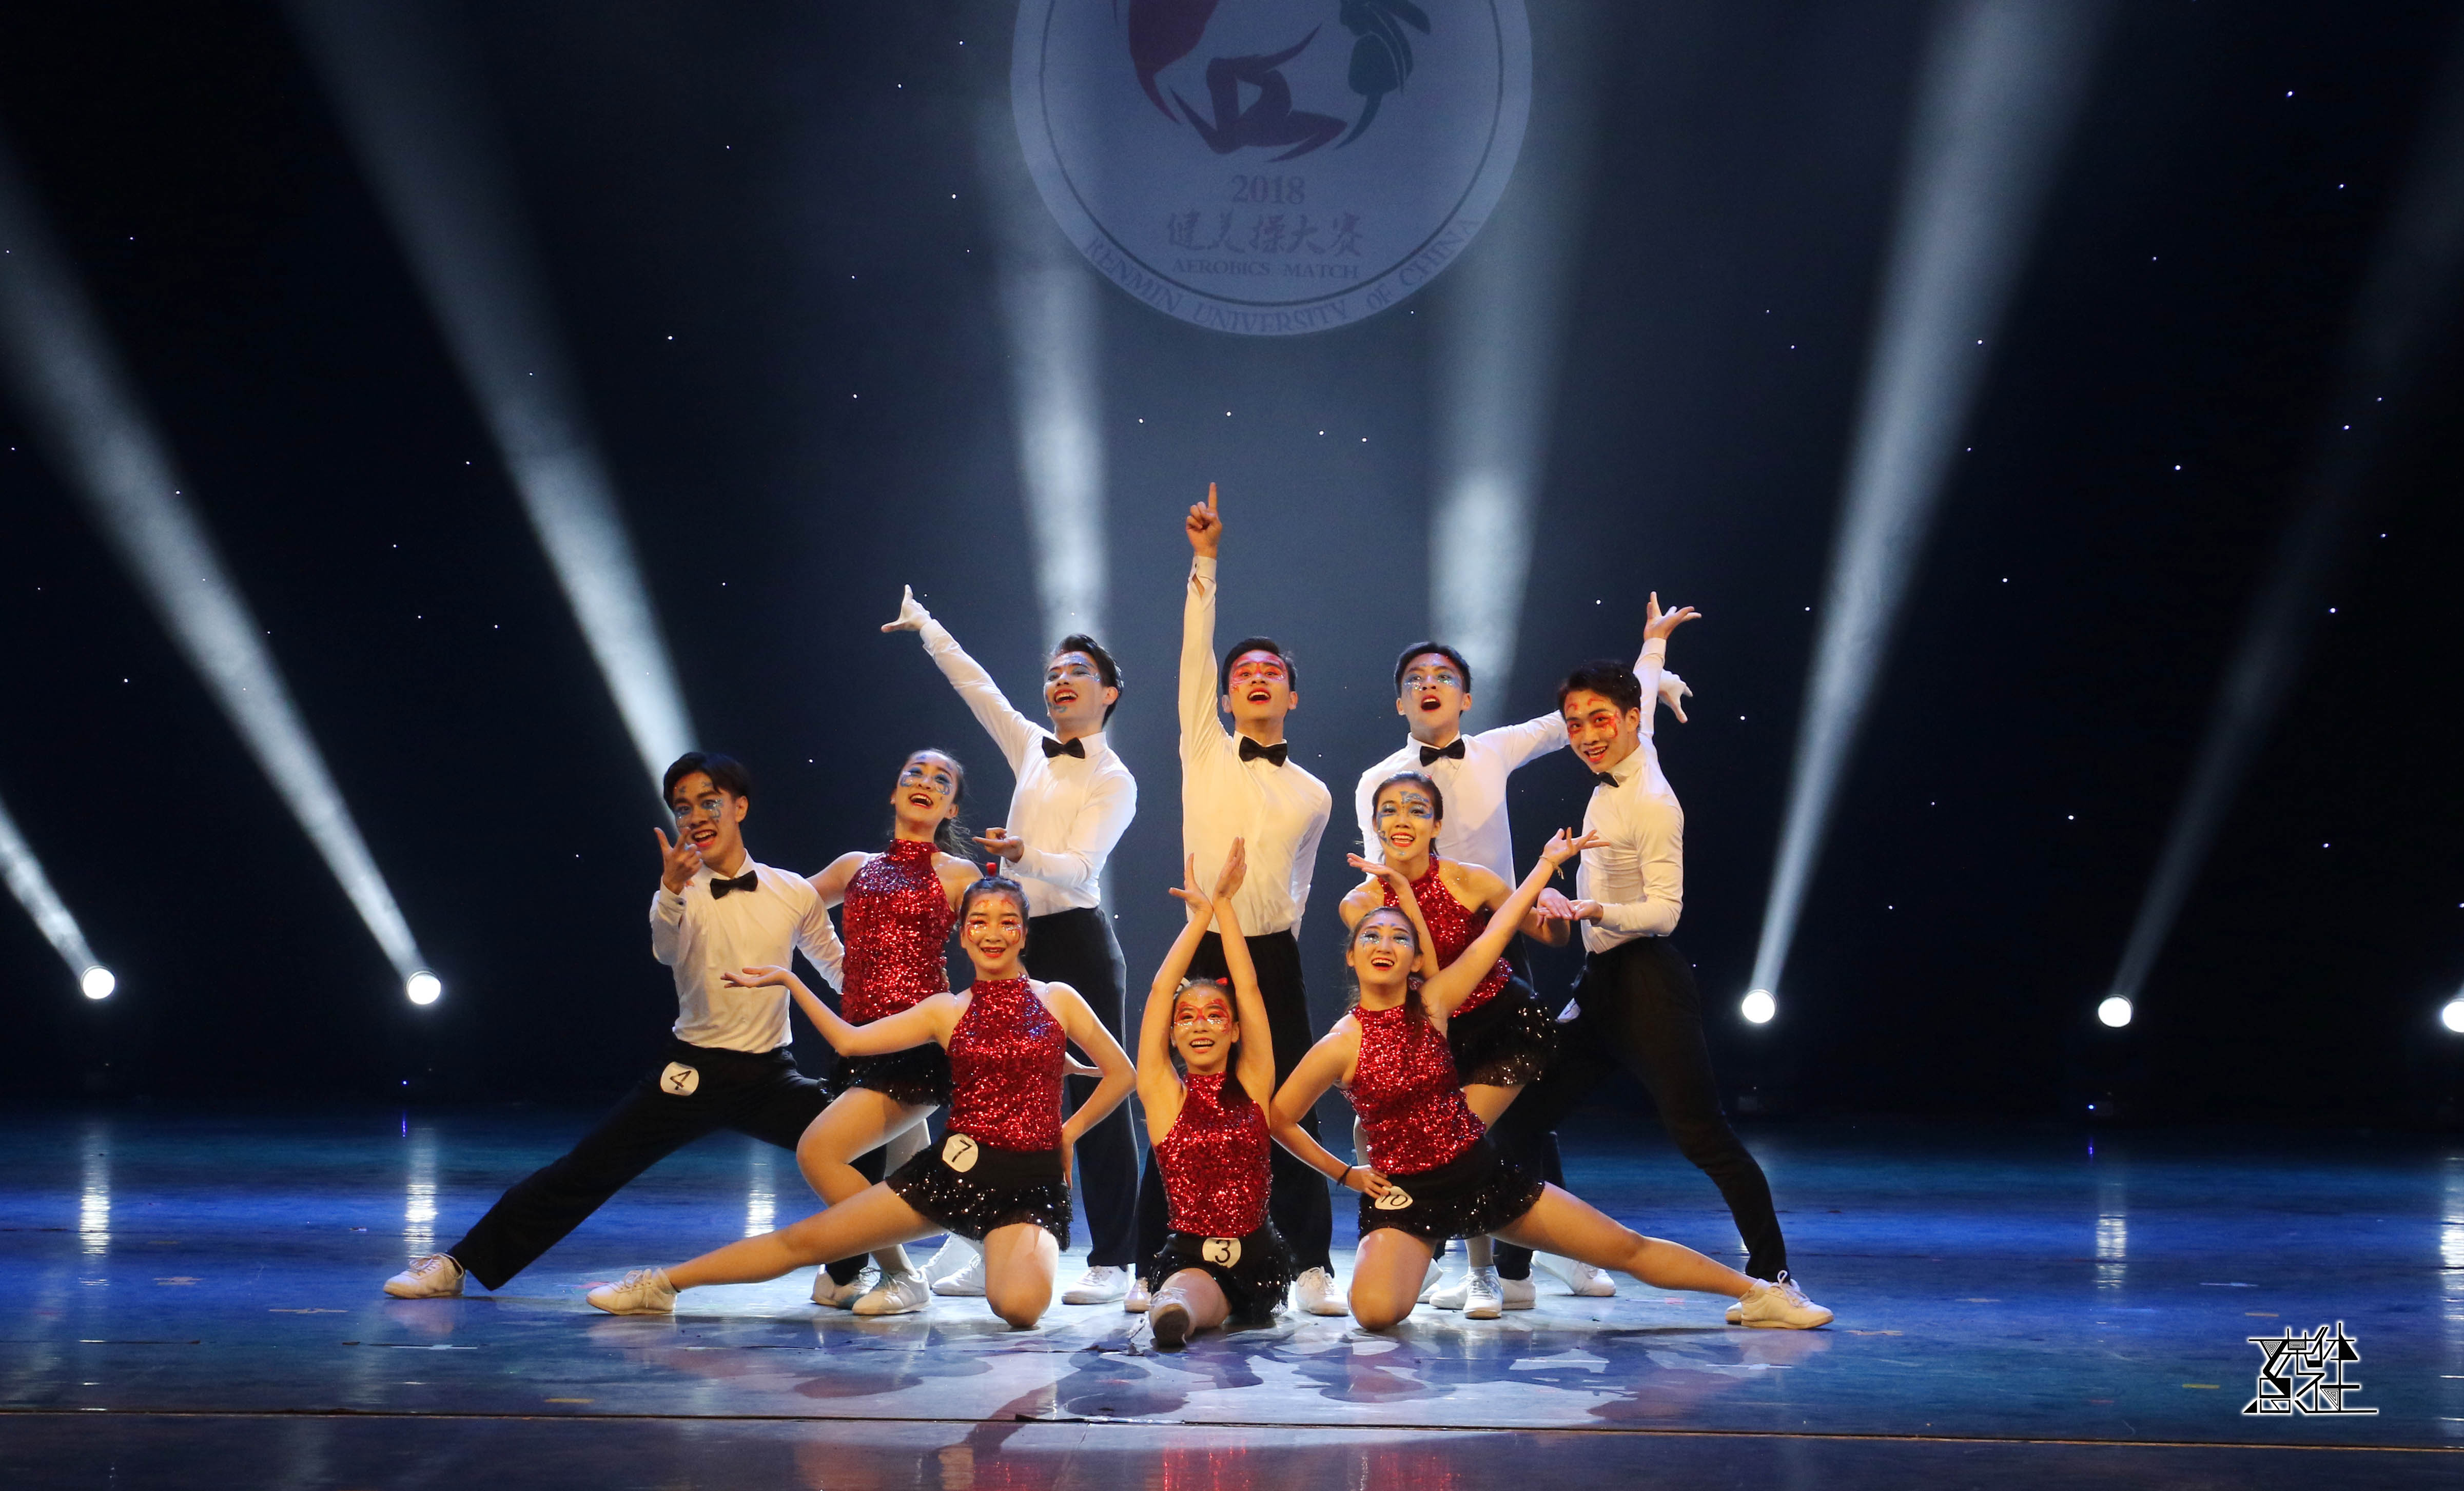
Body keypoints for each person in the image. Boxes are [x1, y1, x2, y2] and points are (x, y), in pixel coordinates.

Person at [1266, 829, 1831, 1331]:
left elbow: (1498, 929)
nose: (1384, 945)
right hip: (1404, 1199)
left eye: (1398, 938)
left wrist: (1545, 865)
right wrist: (1346, 1173)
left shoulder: (1435, 1004)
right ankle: (1438, 1263)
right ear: (1351, 956)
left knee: (1625, 1248)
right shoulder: (1340, 1042)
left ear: (1418, 959)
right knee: (1373, 1312)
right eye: (1371, 937)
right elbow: (1279, 1116)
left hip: (1479, 1177)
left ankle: (1761, 1292)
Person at [383, 752, 845, 1300]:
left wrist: (911, 1004)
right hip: (691, 1072)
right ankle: (457, 1263)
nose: (696, 816)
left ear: (739, 807)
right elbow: (665, 950)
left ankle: (847, 1273)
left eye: (709, 802)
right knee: (585, 1170)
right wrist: (671, 890)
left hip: (770, 1076)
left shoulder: (792, 891)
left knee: (861, 1143)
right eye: (683, 808)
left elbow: (840, 969)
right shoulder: (678, 892)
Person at [585, 874, 1137, 1326]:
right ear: (963, 936)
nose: (993, 933)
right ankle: (660, 1284)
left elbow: (1121, 1075)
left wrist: (1067, 1133)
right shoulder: (944, 1009)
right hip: (953, 1172)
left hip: (1030, 1185)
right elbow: (851, 1041)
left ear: (1023, 935)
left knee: (1018, 1308)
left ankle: (994, 1244)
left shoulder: (1058, 999)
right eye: (979, 922)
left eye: (1007, 921)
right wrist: (791, 982)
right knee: (803, 1241)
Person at [1494, 595, 1820, 1320]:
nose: (1585, 734)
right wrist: (1652, 644)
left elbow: (1665, 912)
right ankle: (1514, 1270)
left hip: (1647, 982)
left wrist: (1589, 908)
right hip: (1601, 983)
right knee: (1520, 1116)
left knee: (1702, 1135)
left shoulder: (1651, 801)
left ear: (1629, 720)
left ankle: (1775, 1280)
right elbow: (1638, 685)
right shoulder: (1631, 743)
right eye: (1574, 722)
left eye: (1598, 720)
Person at [1350, 634, 1690, 1305]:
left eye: (1442, 675)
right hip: (1424, 962)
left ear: (1466, 697)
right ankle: (1464, 1259)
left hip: (1498, 940)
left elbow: (1591, 718)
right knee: (1441, 1112)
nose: (1428, 684)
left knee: (1520, 1108)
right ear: (1398, 703)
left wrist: (1652, 666)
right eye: (1414, 677)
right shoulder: (1377, 780)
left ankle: (1542, 1256)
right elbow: (1381, 880)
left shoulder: (1494, 747)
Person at [881, 587, 1142, 1307]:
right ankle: (984, 1237)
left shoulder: (1113, 777)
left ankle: (1114, 1257)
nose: (1060, 680)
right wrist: (927, 626)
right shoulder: (1030, 742)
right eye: (1053, 671)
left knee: (1094, 1092)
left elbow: (1082, 867)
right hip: (1017, 940)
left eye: (1077, 672)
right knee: (997, 1096)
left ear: (1108, 693)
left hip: (1078, 940)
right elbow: (978, 688)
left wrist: (1023, 852)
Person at [1139, 482, 1338, 1315]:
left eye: (1271, 672)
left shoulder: (1315, 793)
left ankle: (1312, 1263)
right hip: (1204, 948)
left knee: (1287, 1100)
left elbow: (1301, 882)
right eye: (1243, 673)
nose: (1256, 679)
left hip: (1271, 953)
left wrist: (1273, 930)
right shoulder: (1204, 747)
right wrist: (1205, 562)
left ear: (1292, 694)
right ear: (1224, 698)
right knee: (1176, 1099)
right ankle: (1151, 1262)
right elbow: (1195, 652)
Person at [1338, 770, 1567, 1317]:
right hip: (1434, 1033)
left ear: (1436, 824)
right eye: (1390, 809)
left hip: (1501, 1028)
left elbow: (1548, 934)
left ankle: (1483, 1273)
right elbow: (1416, 980)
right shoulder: (1360, 902)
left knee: (1456, 1140)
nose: (1402, 819)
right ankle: (1406, 1237)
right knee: (1365, 1130)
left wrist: (1557, 907)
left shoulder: (1472, 880)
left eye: (1417, 809)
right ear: (1375, 824)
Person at [793, 748, 983, 1316]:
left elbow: (996, 952)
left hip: (916, 1047)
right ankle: (962, 1237)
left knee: (823, 1152)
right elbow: (783, 906)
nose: (926, 782)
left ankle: (902, 1274)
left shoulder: (960, 875)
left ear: (951, 807)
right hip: (856, 1043)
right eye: (914, 774)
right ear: (895, 793)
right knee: (907, 1179)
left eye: (941, 780)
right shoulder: (854, 866)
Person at [1135, 840, 1295, 1349]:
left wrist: (1224, 906)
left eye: (1214, 1015)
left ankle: (1181, 1307)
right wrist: (1198, 919)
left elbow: (1249, 989)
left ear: (1234, 1030)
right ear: (1172, 1035)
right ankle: (1174, 1308)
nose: (1200, 1024)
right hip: (1192, 1255)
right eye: (1187, 1017)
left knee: (1204, 1296)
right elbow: (1160, 991)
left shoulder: (1253, 1084)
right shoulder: (1163, 1095)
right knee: (1187, 1292)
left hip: (1258, 1258)